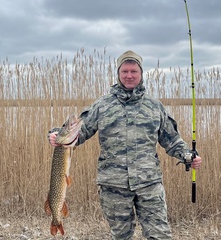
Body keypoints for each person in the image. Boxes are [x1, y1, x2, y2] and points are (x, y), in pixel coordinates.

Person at [47, 50, 202, 240]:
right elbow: (79, 133)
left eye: (134, 71)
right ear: (119, 74)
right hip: (114, 187)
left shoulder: (155, 106)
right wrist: (55, 135)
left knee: (160, 235)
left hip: (149, 184)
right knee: (122, 237)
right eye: (125, 71)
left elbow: (171, 140)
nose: (129, 75)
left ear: (141, 73)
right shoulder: (102, 105)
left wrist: (187, 155)